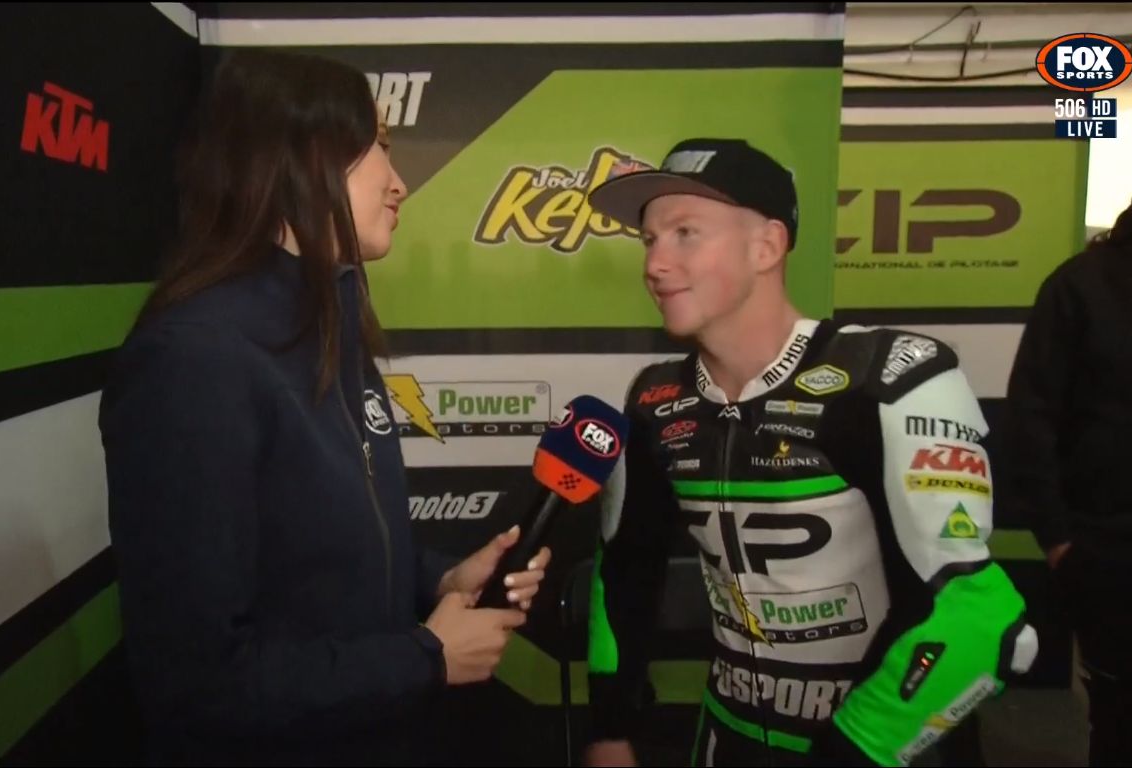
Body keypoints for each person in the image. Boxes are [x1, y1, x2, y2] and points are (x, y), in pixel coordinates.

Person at [97, 49, 550, 767]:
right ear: (309, 158)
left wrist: (439, 580)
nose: (400, 183)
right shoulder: (194, 361)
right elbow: (196, 681)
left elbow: (322, 565)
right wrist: (424, 658)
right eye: (380, 148)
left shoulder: (331, 328)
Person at [578, 138, 1039, 767]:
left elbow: (980, 619)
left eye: (685, 233)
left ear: (767, 246)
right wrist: (610, 728)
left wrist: (853, 751)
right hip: (727, 738)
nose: (655, 264)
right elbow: (624, 574)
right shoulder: (655, 399)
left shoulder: (889, 378)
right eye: (649, 240)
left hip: (878, 748)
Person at [1003, 84, 1132, 767]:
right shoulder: (1084, 284)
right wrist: (1060, 542)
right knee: (1130, 741)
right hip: (1123, 568)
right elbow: (1032, 417)